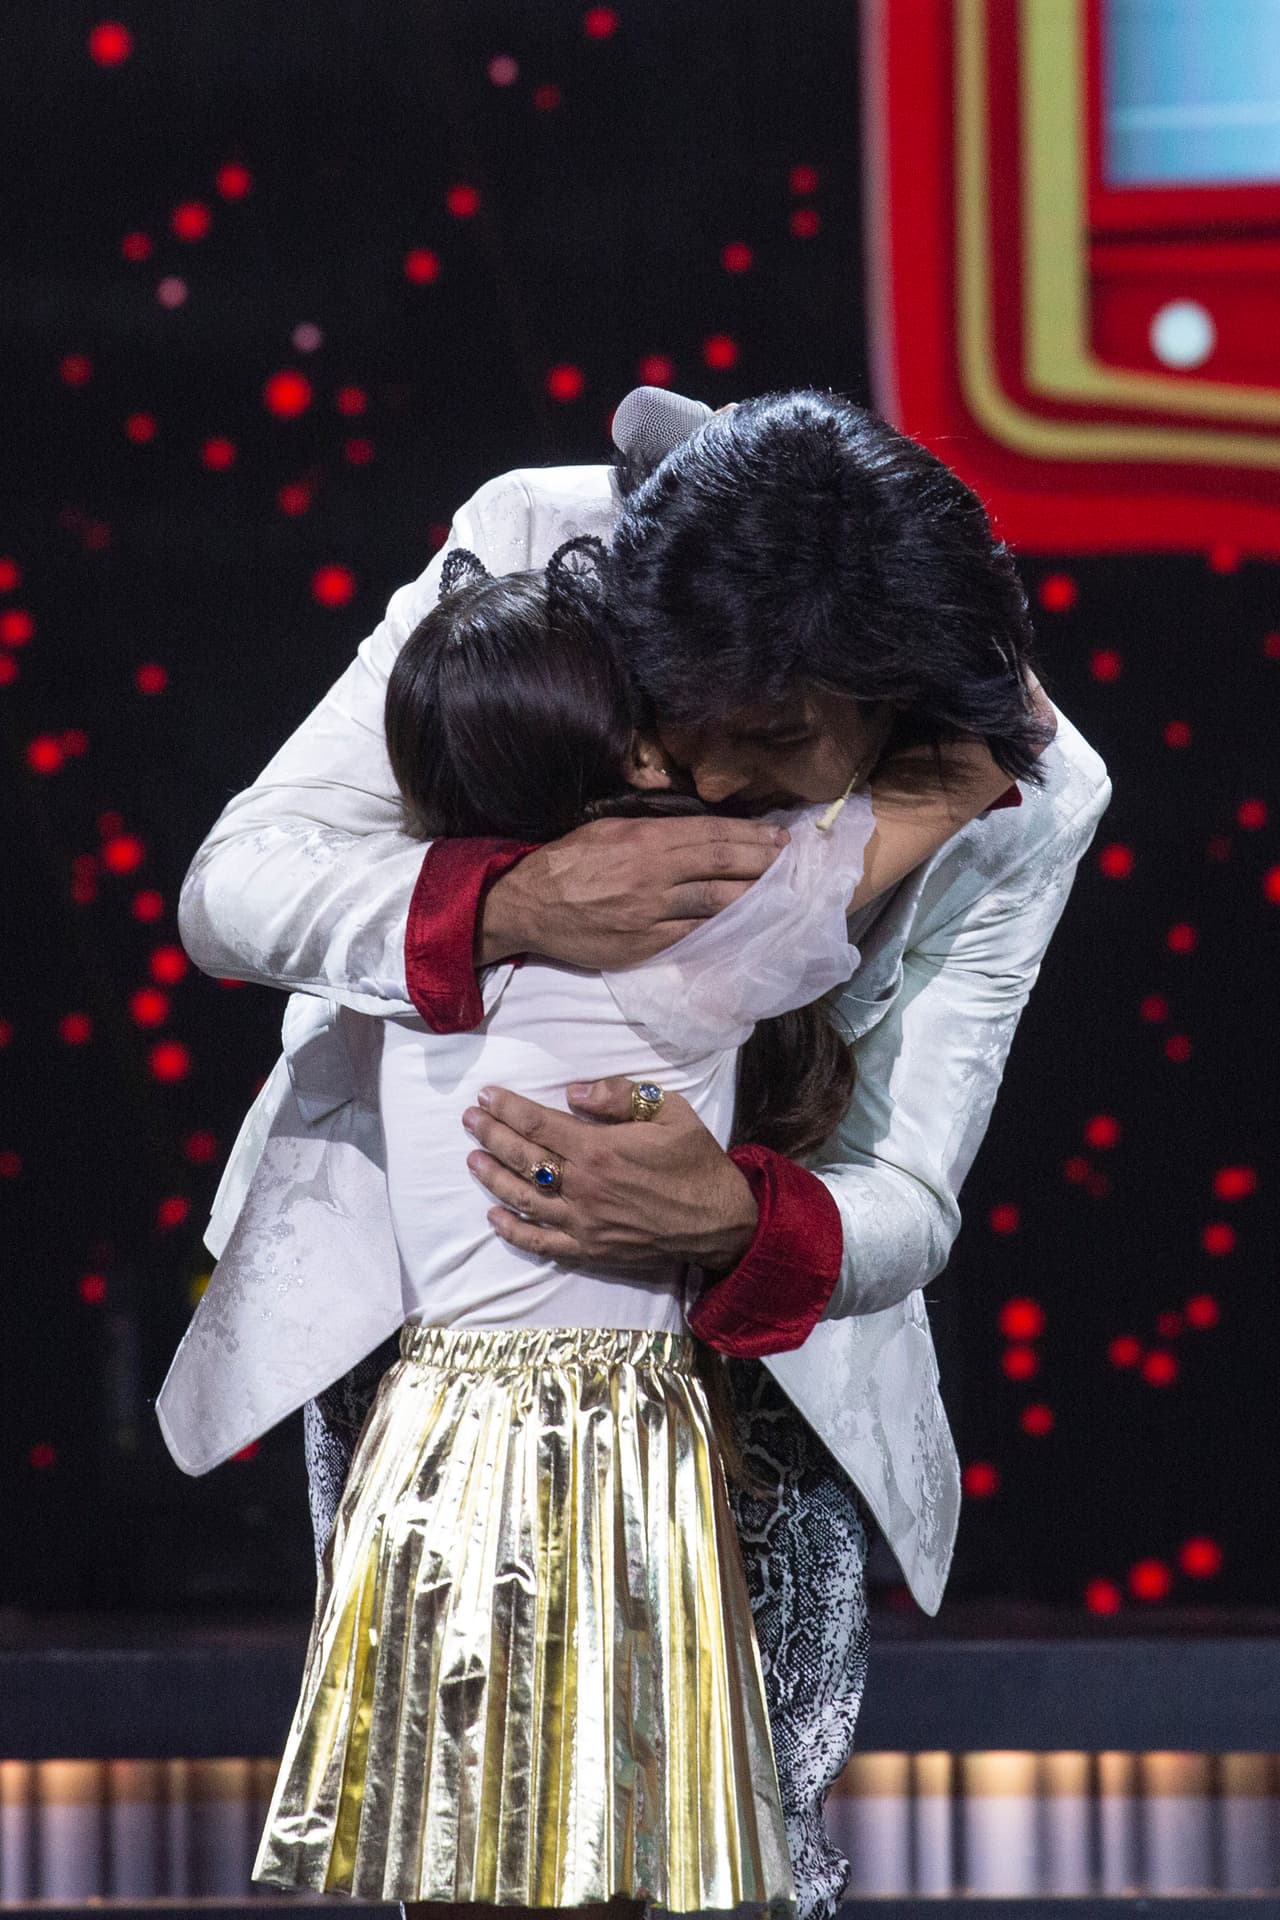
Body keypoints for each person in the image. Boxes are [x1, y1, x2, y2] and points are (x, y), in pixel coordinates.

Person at [167, 389, 1110, 1916]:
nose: (702, 769)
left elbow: (911, 1190)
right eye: (676, 707)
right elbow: (239, 891)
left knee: (729, 1851)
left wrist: (740, 1222)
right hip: (435, 1318)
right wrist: (505, 910)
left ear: (894, 707)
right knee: (470, 1829)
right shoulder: (538, 552)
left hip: (753, 1368)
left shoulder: (1014, 790)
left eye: (781, 741)